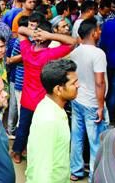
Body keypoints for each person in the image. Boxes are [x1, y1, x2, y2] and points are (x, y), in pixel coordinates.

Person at [20, 59, 79, 183]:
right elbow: (42, 171)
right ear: (58, 89)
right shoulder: (49, 120)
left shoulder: (54, 109)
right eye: (73, 82)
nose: (78, 85)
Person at [10, 20, 76, 163]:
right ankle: (35, 155)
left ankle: (16, 152)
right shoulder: (49, 55)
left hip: (27, 98)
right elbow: (72, 42)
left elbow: (20, 30)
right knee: (38, 130)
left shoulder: (27, 50)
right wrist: (49, 35)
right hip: (42, 102)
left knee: (23, 127)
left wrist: (33, 34)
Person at [69, 18, 108, 181]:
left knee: (77, 137)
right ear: (93, 33)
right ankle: (94, 177)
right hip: (93, 102)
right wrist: (100, 106)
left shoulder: (76, 51)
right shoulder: (98, 54)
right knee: (96, 142)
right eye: (98, 29)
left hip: (78, 99)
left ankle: (75, 171)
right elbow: (99, 82)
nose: (100, 32)